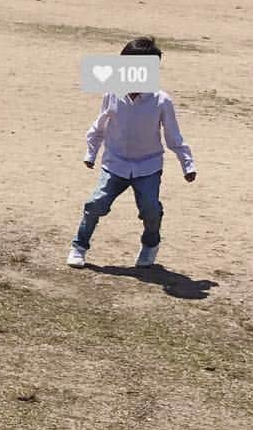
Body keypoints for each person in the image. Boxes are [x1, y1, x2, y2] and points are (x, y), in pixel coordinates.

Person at [67, 37, 196, 270]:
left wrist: (187, 164)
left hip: (148, 166)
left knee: (150, 209)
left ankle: (150, 245)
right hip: (115, 163)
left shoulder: (161, 101)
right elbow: (100, 125)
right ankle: (79, 246)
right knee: (95, 204)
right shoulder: (112, 93)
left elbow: (173, 136)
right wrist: (91, 152)